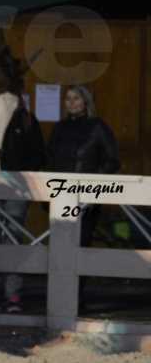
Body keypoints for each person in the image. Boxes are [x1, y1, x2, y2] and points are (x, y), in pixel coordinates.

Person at [0, 94, 45, 312]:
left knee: (13, 237)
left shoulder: (27, 121)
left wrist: (24, 177)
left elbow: (38, 154)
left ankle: (13, 294)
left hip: (17, 187)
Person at [47, 84, 120, 248]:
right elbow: (49, 159)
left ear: (85, 102)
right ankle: (61, 275)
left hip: (86, 196)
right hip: (60, 193)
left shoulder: (98, 126)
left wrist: (93, 184)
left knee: (81, 240)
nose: (71, 102)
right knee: (60, 241)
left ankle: (82, 274)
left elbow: (113, 160)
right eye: (68, 99)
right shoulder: (59, 128)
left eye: (76, 98)